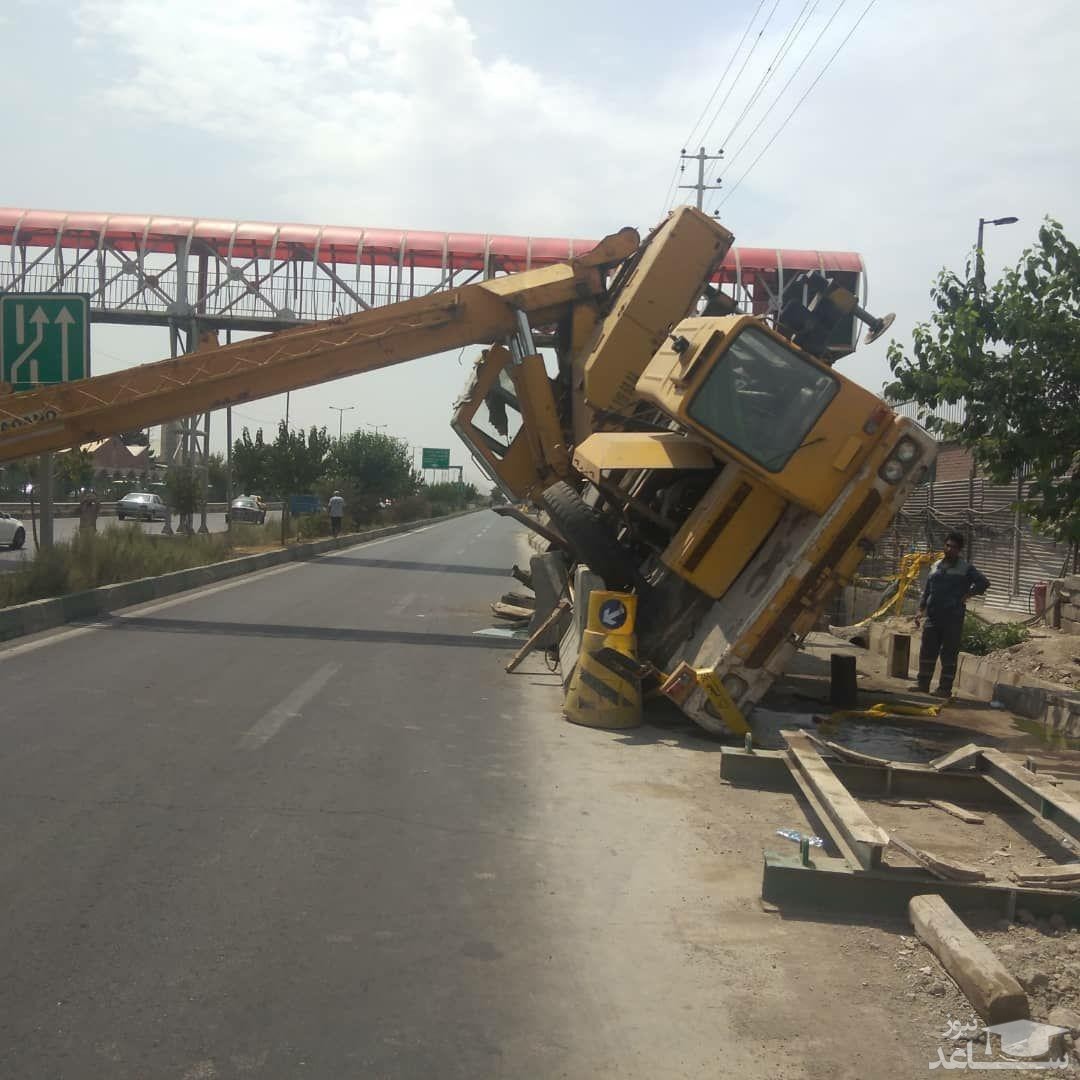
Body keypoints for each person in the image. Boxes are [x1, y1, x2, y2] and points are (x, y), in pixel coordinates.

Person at [913, 531, 989, 698]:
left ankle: (944, 689)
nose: (949, 549)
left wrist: (968, 595)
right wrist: (920, 610)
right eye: (947, 545)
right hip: (933, 616)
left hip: (952, 618)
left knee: (948, 654)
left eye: (953, 547)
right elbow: (927, 590)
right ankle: (922, 684)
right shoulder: (936, 566)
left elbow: (983, 582)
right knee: (927, 651)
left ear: (959, 549)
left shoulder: (966, 568)